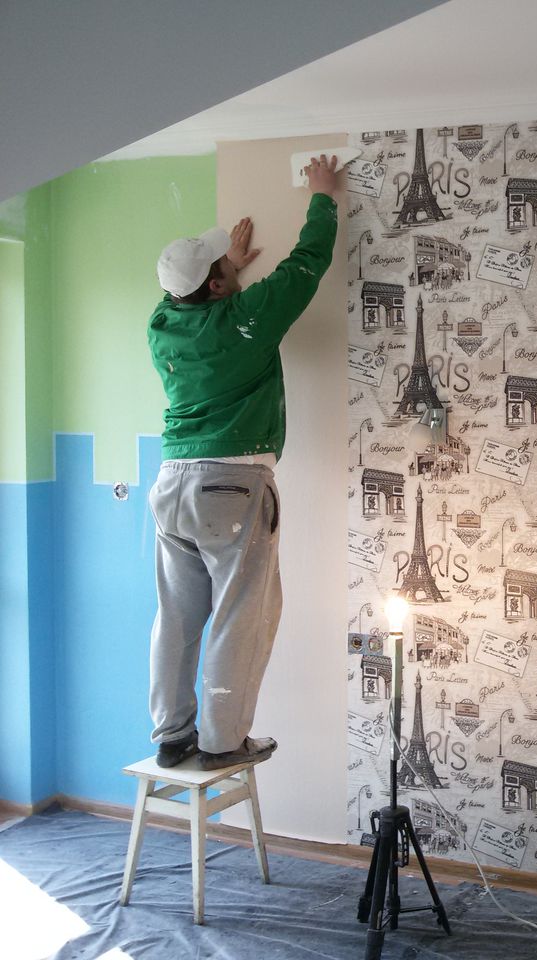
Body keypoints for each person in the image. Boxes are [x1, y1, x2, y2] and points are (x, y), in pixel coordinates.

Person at [147, 155, 341, 769]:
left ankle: (171, 736)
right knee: (240, 617)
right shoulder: (246, 319)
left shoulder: (162, 325)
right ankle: (222, 743)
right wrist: (323, 196)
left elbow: (192, 298)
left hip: (172, 484)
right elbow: (306, 265)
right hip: (231, 486)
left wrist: (223, 268)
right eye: (222, 268)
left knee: (177, 618)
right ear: (216, 287)